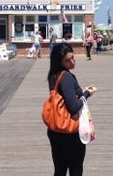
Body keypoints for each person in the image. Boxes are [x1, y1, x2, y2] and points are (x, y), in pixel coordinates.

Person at [46, 42, 96, 175]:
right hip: (70, 133)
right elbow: (73, 107)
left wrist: (82, 91)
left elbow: (65, 96)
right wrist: (87, 94)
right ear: (60, 61)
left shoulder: (53, 75)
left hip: (55, 130)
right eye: (67, 60)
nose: (72, 62)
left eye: (73, 57)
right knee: (75, 171)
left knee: (59, 170)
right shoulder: (67, 76)